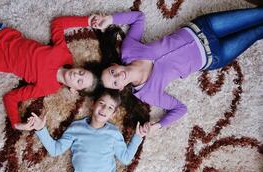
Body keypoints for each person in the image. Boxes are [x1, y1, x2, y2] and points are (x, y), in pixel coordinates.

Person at [93, 8, 263, 128]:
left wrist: (110, 19)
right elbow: (180, 109)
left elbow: (139, 17)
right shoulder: (147, 93)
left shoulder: (128, 50)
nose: (118, 76)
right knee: (258, 32)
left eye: (112, 72)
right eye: (115, 82)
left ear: (114, 65)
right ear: (121, 88)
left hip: (203, 27)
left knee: (258, 14)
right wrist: (158, 126)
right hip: (215, 56)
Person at [0, 9, 99, 130]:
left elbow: (11, 97)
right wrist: (87, 21)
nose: (76, 75)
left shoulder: (48, 88)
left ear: (73, 89)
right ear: (80, 67)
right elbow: (58, 23)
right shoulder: (64, 55)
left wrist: (16, 123)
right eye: (81, 72)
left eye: (79, 81)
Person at [30, 89, 151, 172]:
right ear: (93, 104)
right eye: (102, 103)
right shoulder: (76, 127)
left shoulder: (114, 133)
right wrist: (41, 129)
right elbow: (55, 150)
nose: (104, 109)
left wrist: (138, 137)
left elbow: (125, 158)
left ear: (113, 114)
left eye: (110, 108)